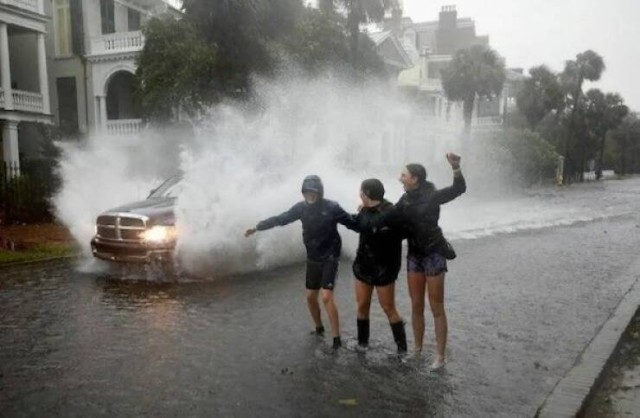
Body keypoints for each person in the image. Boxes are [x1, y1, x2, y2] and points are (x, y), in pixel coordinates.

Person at [245, 175, 356, 349]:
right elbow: (281, 219)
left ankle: (336, 339)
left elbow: (352, 222)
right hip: (313, 257)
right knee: (311, 297)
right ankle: (319, 328)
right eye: (307, 192)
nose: (310, 195)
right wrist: (258, 227)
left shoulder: (332, 207)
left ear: (320, 192)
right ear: (303, 192)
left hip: (330, 256)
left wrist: (370, 219)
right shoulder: (301, 208)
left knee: (326, 296)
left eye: (314, 192)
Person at [396, 153, 465, 369]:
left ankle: (440, 357)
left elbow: (458, 189)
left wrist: (455, 168)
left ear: (415, 178)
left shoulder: (432, 195)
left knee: (436, 307)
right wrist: (368, 211)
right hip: (414, 255)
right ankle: (417, 349)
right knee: (416, 305)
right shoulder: (405, 198)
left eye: (404, 175)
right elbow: (391, 216)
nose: (400, 178)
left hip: (434, 253)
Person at [351, 179, 407, 354]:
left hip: (385, 268)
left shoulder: (392, 212)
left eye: (361, 191)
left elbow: (404, 232)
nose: (359, 194)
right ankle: (362, 343)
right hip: (363, 264)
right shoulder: (364, 210)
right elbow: (359, 225)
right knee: (362, 305)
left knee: (388, 308)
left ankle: (402, 350)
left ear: (366, 193)